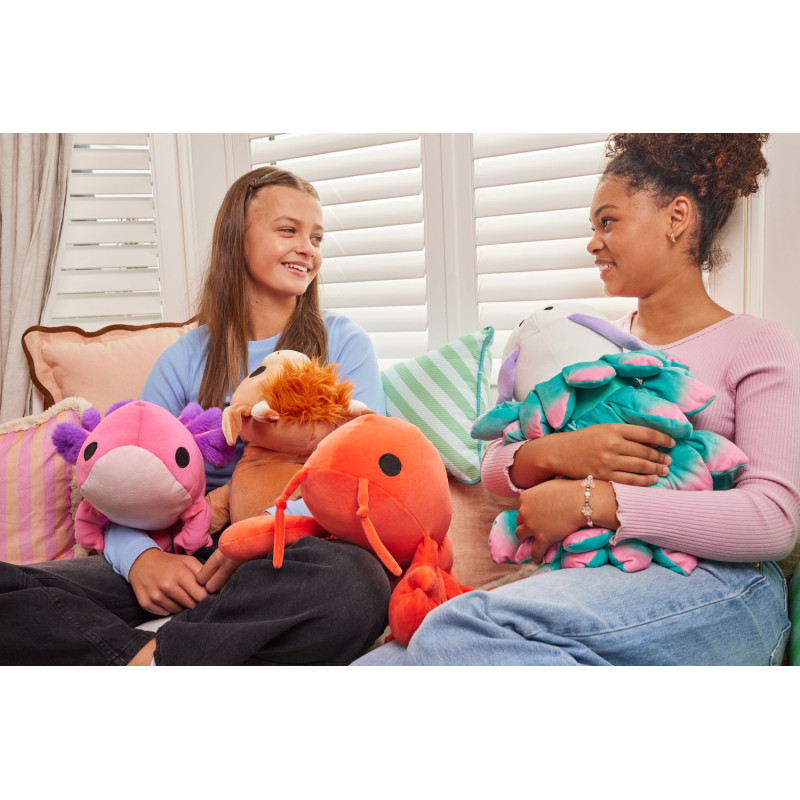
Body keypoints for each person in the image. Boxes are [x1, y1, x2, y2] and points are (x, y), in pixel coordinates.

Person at [354, 133, 800, 666]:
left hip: (724, 587)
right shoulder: (588, 342)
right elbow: (497, 463)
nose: (593, 243)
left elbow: (774, 520)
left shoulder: (756, 342)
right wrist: (557, 453)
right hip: (595, 577)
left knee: (455, 631)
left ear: (676, 217)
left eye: (608, 222)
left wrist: (593, 501)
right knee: (377, 667)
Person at [0, 166, 391, 666]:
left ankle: (161, 656)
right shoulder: (184, 359)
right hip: (187, 554)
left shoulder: (344, 342)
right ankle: (170, 651)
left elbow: (367, 479)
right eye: (288, 230)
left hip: (288, 556)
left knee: (357, 583)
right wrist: (141, 559)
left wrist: (254, 536)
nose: (307, 249)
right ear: (236, 238)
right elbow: (127, 483)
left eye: (316, 237)